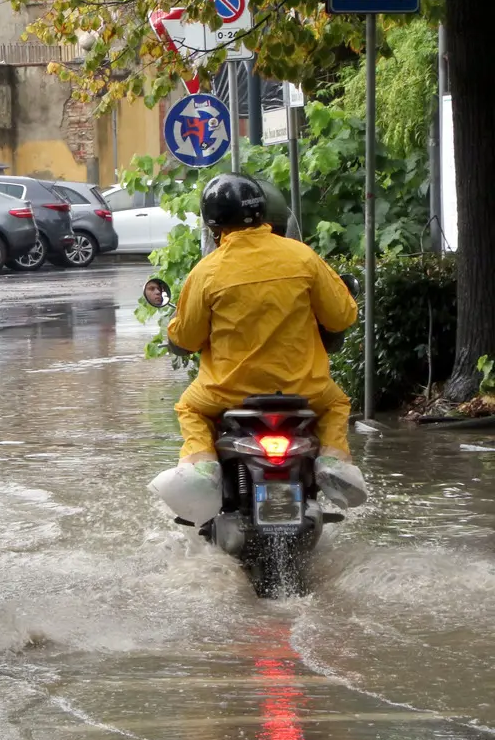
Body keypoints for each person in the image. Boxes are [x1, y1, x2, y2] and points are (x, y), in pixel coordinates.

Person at [149, 173, 368, 521]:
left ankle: (204, 467)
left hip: (227, 393)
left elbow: (187, 339)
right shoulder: (303, 258)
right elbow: (341, 317)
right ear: (263, 213)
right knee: (337, 403)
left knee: (189, 408)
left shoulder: (206, 272)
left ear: (213, 222)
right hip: (304, 390)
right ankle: (331, 459)